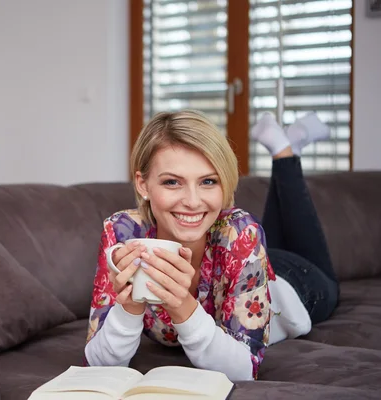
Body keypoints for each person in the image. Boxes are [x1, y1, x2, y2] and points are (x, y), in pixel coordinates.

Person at [83, 110, 339, 381]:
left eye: (208, 181)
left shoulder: (242, 232)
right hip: (244, 258)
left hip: (295, 284)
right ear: (142, 184)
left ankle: (285, 151)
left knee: (325, 275)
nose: (193, 201)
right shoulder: (122, 232)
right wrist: (129, 307)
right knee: (260, 233)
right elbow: (98, 366)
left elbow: (243, 370)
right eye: (172, 182)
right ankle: (288, 146)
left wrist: (181, 304)